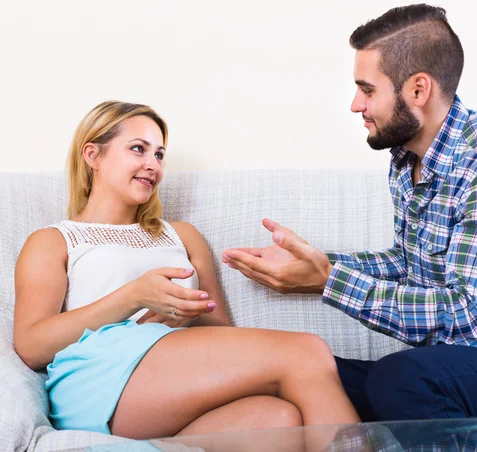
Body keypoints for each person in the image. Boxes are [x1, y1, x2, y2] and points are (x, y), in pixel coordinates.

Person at [222, 4, 477, 421]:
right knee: (308, 375)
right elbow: (408, 262)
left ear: (418, 89)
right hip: (456, 372)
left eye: (368, 89)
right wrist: (316, 264)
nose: (356, 104)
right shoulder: (405, 159)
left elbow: (470, 325)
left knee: (400, 380)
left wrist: (330, 282)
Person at [13, 101, 359, 440]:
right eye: (138, 149)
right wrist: (133, 296)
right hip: (99, 377)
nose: (153, 165)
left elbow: (218, 329)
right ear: (93, 155)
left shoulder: (182, 235)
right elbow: (31, 345)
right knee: (305, 352)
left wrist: (185, 317)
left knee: (278, 420)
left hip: (173, 372)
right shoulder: (55, 240)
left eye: (159, 155)